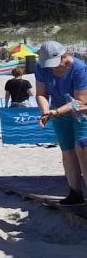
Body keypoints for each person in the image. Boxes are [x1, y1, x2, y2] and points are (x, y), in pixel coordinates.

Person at [35, 41, 87, 205]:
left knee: (82, 149)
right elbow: (41, 94)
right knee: (67, 151)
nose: (52, 69)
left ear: (64, 57)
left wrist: (55, 112)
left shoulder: (79, 68)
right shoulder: (41, 67)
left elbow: (79, 101)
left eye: (55, 64)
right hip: (58, 112)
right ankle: (75, 193)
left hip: (81, 112)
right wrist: (45, 112)